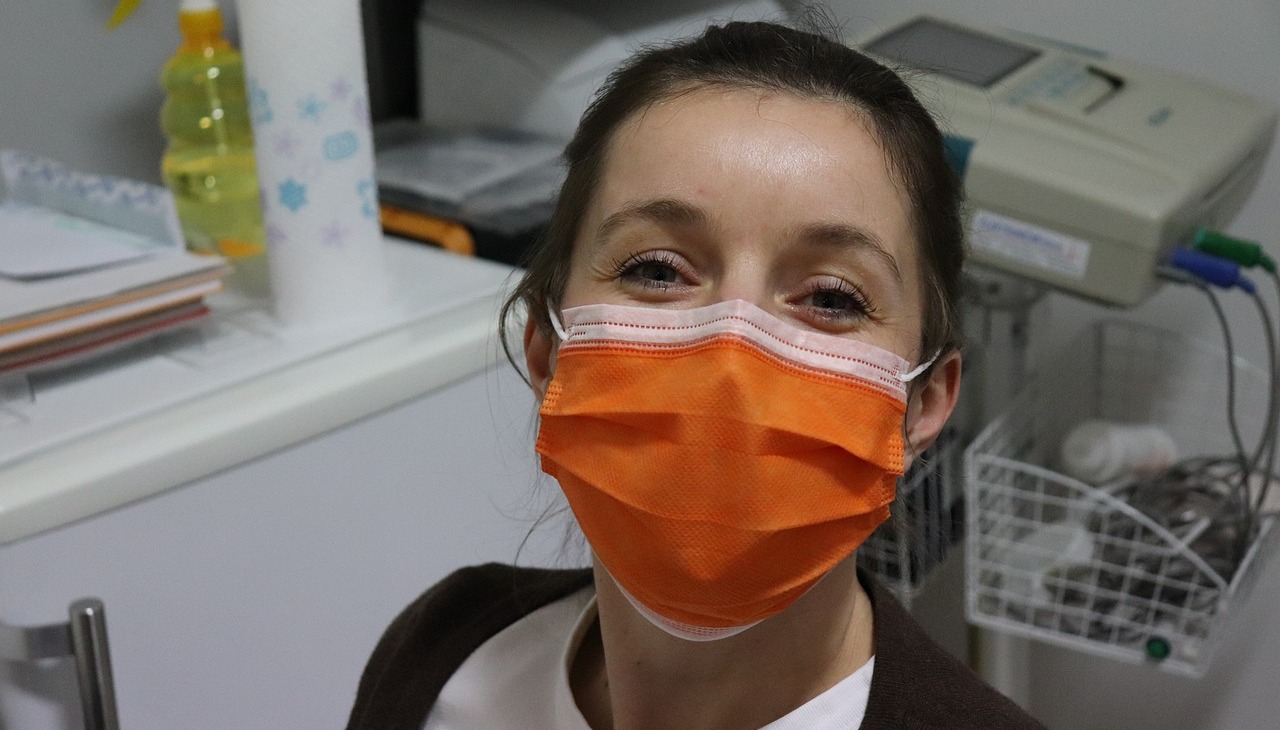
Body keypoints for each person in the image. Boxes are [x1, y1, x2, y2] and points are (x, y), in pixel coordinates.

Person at [348, 19, 1046, 730]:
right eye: (655, 270)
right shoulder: (444, 656)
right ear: (546, 350)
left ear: (924, 403)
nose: (730, 357)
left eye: (833, 298)